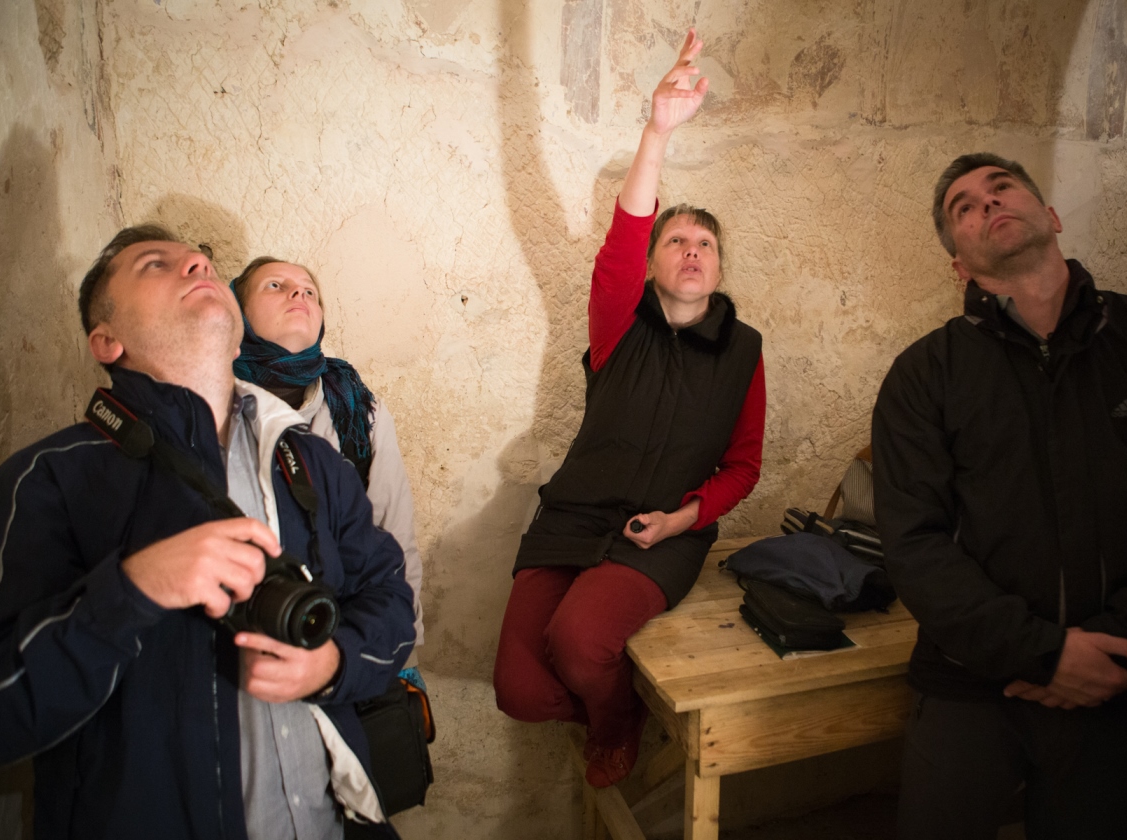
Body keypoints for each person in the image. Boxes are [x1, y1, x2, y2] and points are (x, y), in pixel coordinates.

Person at [0, 225, 416, 840]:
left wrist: (333, 663)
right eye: (156, 264)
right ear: (107, 341)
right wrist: (133, 588)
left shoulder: (314, 462)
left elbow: (391, 598)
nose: (197, 265)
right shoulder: (44, 481)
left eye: (202, 261)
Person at [872, 152, 1127, 839]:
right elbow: (915, 543)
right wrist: (1045, 654)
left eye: (1002, 187)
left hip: (1116, 681)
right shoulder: (924, 375)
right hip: (973, 684)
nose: (987, 203)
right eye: (963, 207)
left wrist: (1123, 643)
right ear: (959, 265)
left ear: (1052, 216)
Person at [492, 29, 766, 789]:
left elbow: (744, 465)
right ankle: (613, 706)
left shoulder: (743, 350)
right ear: (651, 264)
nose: (691, 250)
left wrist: (685, 519)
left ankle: (616, 725)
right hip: (572, 516)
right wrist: (657, 132)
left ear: (719, 267)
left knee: (581, 643)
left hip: (660, 535)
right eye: (675, 240)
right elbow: (621, 239)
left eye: (705, 243)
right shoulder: (618, 324)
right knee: (519, 691)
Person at [230, 257, 425, 669]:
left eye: (310, 291)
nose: (298, 294)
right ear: (237, 313)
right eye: (275, 286)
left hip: (339, 636)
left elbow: (394, 534)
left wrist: (400, 658)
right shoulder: (209, 404)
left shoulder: (356, 409)